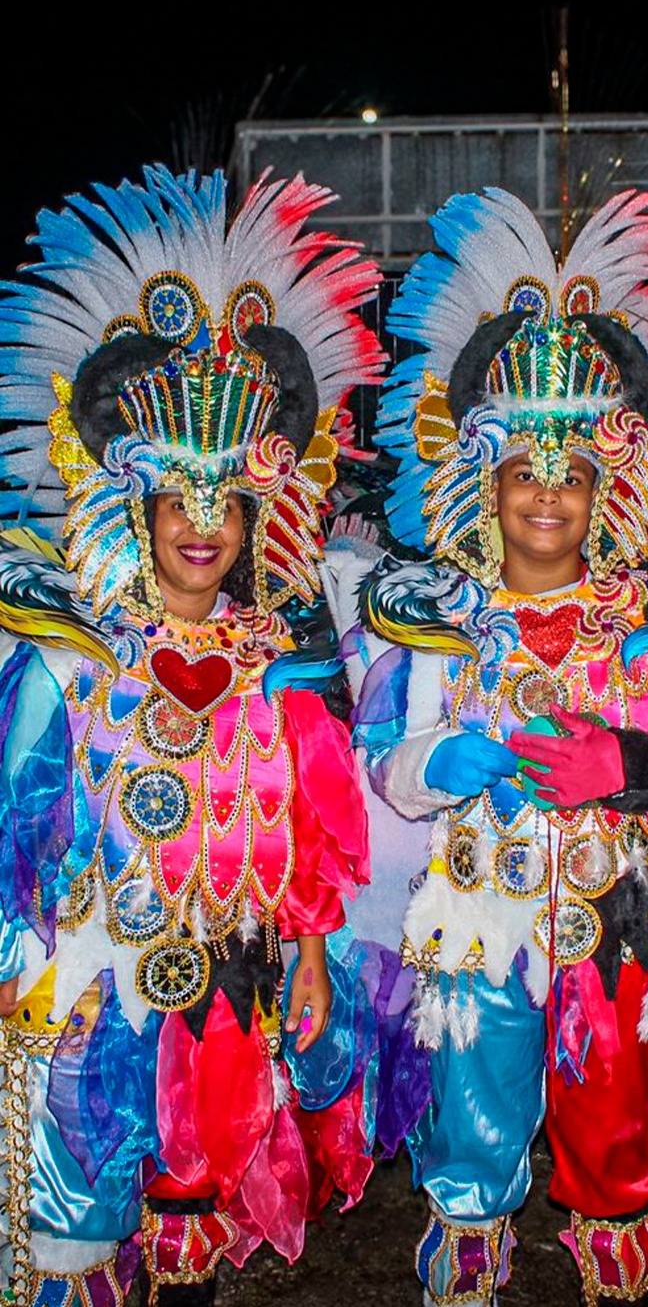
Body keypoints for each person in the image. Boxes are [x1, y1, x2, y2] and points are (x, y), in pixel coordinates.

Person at [337, 187, 648, 1306]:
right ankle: (470, 1232)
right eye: (526, 474)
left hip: (621, 915)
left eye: (571, 474)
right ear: (487, 483)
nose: (549, 498)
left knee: (615, 1114)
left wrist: (625, 768)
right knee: (474, 1097)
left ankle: (612, 1237)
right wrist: (435, 766)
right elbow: (382, 767)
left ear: (607, 483)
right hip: (474, 917)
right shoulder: (431, 617)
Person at [0, 167, 384, 1305]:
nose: (204, 528)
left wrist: (312, 958)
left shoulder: (284, 664)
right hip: (94, 988)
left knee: (193, 1219)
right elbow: (18, 827)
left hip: (234, 983)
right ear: (141, 513)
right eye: (180, 503)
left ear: (259, 514)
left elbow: (316, 833)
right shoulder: (69, 658)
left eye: (227, 503)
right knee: (78, 1231)